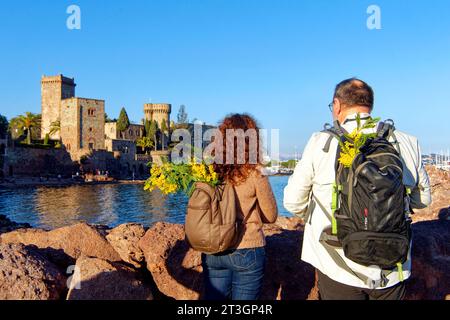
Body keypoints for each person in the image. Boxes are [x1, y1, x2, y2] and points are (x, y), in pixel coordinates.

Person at [283, 78, 432, 300]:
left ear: (337, 105)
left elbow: (293, 202)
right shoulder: (407, 141)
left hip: (337, 265)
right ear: (369, 105)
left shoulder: (321, 141)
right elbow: (423, 200)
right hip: (392, 267)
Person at [202, 113, 278, 300]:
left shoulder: (210, 170)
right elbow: (271, 216)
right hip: (247, 248)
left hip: (213, 247)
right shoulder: (254, 172)